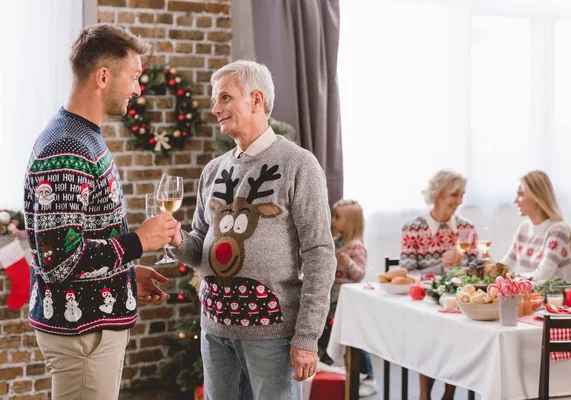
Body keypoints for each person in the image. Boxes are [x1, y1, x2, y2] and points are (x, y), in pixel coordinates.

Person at [23, 23, 176, 400]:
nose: (138, 89)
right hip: (83, 334)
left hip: (92, 329)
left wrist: (124, 271)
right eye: (134, 77)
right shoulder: (68, 147)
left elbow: (85, 239)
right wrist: (136, 243)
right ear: (104, 76)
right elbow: (59, 260)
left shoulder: (82, 136)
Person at [169, 60, 337, 400]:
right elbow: (200, 246)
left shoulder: (298, 164)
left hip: (272, 335)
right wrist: (176, 240)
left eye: (225, 98)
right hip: (215, 329)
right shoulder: (214, 169)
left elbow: (319, 253)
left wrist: (307, 337)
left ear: (256, 100)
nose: (215, 109)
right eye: (215, 101)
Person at [399, 170, 479, 400]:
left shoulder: (467, 228)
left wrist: (468, 263)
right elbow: (408, 273)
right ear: (437, 194)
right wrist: (439, 268)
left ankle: (449, 394)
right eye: (454, 195)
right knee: (431, 334)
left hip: (460, 302)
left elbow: (481, 271)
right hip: (425, 301)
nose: (459, 201)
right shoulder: (413, 228)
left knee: (456, 333)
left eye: (462, 195)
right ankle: (425, 395)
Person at [318, 199, 377, 397]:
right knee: (331, 333)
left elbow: (359, 275)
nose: (333, 220)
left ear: (350, 222)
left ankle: (367, 376)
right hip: (334, 298)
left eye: (337, 217)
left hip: (349, 301)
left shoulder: (356, 248)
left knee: (355, 340)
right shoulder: (336, 242)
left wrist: (349, 262)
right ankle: (332, 368)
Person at [500, 170, 571, 283]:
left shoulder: (558, 230)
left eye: (521, 194)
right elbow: (505, 266)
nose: (515, 200)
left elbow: (542, 277)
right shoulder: (523, 228)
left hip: (555, 298)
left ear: (537, 197)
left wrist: (512, 279)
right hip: (530, 296)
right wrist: (486, 267)